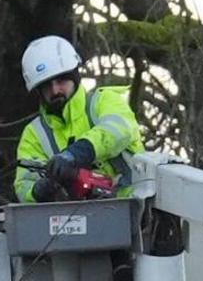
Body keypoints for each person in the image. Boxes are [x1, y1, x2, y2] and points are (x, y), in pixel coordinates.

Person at [11, 35, 144, 203]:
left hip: (134, 212)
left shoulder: (104, 101)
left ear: (74, 77)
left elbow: (118, 131)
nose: (55, 90)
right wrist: (40, 190)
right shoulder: (35, 133)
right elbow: (23, 186)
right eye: (46, 85)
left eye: (61, 80)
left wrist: (75, 154)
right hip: (73, 222)